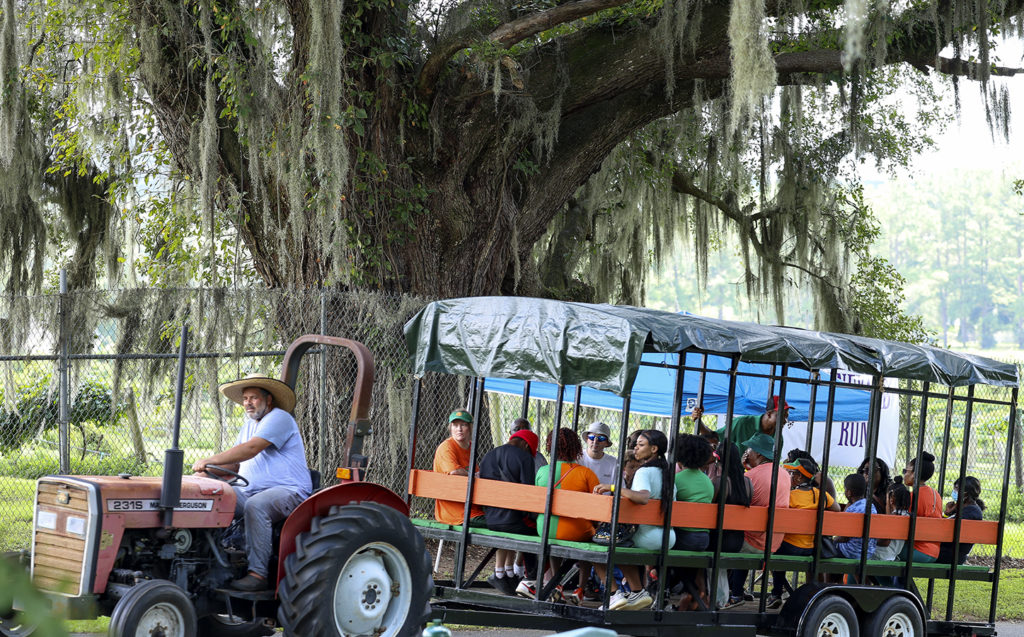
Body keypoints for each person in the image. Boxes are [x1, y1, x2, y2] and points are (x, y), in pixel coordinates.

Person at [192, 374, 312, 591]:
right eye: (245, 398)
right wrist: (206, 473)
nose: (248, 402)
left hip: (288, 491)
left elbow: (250, 449)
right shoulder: (248, 425)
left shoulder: (280, 418)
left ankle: (257, 575)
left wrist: (208, 460)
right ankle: (206, 562)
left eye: (254, 398)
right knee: (211, 493)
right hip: (250, 490)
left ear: (269, 400)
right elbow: (235, 465)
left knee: (256, 506)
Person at [593, 429, 676, 611]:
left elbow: (643, 497)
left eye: (641, 445)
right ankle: (637, 591)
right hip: (668, 537)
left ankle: (615, 594)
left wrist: (613, 487)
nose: (635, 448)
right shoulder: (667, 473)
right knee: (621, 542)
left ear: (654, 449)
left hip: (648, 537)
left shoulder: (644, 472)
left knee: (597, 546)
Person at [526, 427, 602, 601]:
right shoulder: (586, 474)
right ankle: (580, 589)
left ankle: (557, 584)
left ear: (550, 447)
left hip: (545, 529)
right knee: (591, 536)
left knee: (553, 537)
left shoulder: (543, 471)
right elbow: (598, 510)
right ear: (576, 448)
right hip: (576, 532)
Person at [724, 432, 790, 609]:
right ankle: (735, 590)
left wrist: (740, 467)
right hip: (774, 542)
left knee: (726, 540)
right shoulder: (784, 474)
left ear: (759, 454)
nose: (747, 451)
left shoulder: (751, 476)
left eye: (750, 449)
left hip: (753, 542)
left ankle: (733, 592)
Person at [768, 456, 839, 608]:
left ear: (799, 477)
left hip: (790, 548)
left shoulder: (791, 496)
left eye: (792, 473)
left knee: (775, 552)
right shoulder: (820, 494)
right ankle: (811, 593)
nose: (790, 476)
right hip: (810, 549)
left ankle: (776, 593)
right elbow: (837, 508)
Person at [478, 429, 540, 595]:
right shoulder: (525, 457)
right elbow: (528, 494)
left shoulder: (489, 455)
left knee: (518, 527)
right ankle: (531, 579)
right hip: (512, 522)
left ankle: (506, 574)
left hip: (491, 520)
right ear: (526, 445)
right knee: (536, 532)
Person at [671, 434, 715, 610]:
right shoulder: (707, 482)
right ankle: (691, 593)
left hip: (684, 538)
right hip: (703, 539)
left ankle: (657, 584)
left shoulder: (677, 479)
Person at [432, 409, 486, 526]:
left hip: (473, 507)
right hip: (456, 513)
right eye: (455, 425)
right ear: (450, 428)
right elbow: (454, 471)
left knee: (504, 519)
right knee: (499, 524)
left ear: (470, 427)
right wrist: (473, 475)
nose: (459, 429)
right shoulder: (446, 447)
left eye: (463, 425)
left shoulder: (471, 447)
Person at [692, 395, 791, 447]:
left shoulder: (778, 437)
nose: (785, 421)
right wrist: (699, 421)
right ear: (769, 414)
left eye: (786, 417)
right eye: (782, 416)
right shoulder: (742, 423)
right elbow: (714, 437)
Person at [901, 451, 942, 563]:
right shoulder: (935, 494)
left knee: (874, 553)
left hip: (917, 550)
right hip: (934, 552)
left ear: (914, 474)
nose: (904, 474)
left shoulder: (912, 496)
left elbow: (900, 524)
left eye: (906, 471)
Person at [937, 476, 985, 564]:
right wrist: (947, 513)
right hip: (947, 551)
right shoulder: (962, 509)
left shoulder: (971, 512)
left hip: (951, 555)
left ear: (966, 493)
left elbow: (947, 531)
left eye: (956, 489)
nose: (954, 492)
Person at [833, 473, 877, 560]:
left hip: (851, 552)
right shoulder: (871, 506)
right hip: (868, 552)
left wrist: (833, 540)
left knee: (828, 547)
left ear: (849, 493)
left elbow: (843, 538)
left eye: (845, 489)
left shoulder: (851, 510)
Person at [872, 476, 911, 562]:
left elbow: (885, 542)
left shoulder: (893, 519)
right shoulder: (907, 517)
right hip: (892, 556)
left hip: (881, 555)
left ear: (891, 500)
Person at [579, 421, 618, 485]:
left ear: (606, 443)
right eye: (592, 437)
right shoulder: (578, 458)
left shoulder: (613, 462)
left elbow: (619, 488)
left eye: (601, 438)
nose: (595, 441)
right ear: (587, 439)